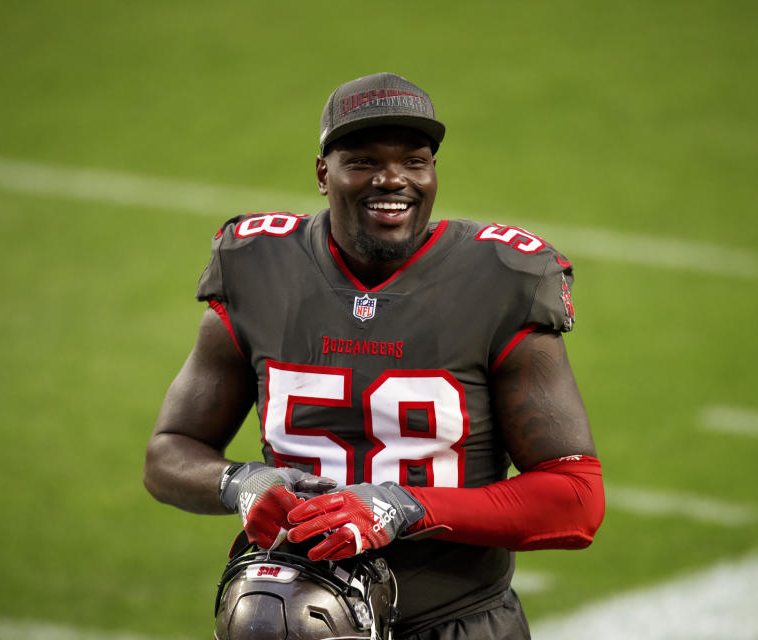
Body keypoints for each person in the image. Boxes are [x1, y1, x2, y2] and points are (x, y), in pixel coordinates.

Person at [144, 72, 604, 640]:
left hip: (455, 623)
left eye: (415, 161)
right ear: (322, 173)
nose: (393, 179)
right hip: (292, 618)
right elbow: (168, 453)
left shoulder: (501, 279)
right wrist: (242, 484)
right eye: (362, 160)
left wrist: (406, 506)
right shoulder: (259, 267)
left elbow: (575, 498)